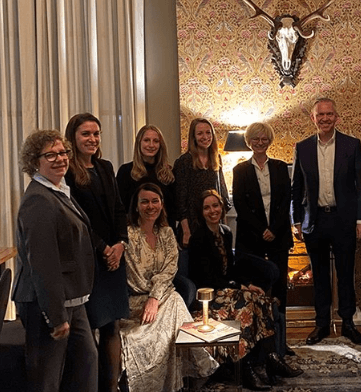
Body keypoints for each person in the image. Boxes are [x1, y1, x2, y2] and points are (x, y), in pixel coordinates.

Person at [187, 190, 302, 391]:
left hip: (227, 290)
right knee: (247, 305)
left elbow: (232, 269)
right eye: (207, 207)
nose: (212, 210)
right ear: (201, 211)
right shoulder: (199, 238)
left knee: (260, 297)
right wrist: (238, 287)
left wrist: (247, 285)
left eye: (215, 205)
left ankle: (271, 358)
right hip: (209, 295)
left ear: (222, 207)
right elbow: (207, 278)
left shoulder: (225, 232)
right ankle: (247, 367)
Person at [14, 130, 97, 392]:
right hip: (47, 305)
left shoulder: (58, 190)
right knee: (47, 380)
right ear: (34, 161)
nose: (60, 158)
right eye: (50, 154)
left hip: (73, 300)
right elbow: (42, 262)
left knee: (86, 365)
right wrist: (56, 316)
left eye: (63, 152)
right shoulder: (39, 199)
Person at [119, 183, 218, 391]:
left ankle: (177, 381)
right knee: (173, 305)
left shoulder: (166, 233)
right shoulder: (128, 235)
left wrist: (155, 298)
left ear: (162, 205)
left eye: (155, 201)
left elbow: (169, 270)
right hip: (135, 302)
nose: (150, 206)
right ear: (136, 206)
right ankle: (193, 371)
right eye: (144, 201)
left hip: (161, 297)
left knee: (174, 300)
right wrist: (150, 298)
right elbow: (134, 275)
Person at [291, 97, 361, 346]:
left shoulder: (351, 145)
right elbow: (297, 187)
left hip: (344, 219)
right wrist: (295, 221)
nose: (325, 119)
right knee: (320, 276)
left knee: (346, 273)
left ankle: (347, 323)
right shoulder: (302, 147)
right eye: (320, 115)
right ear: (313, 118)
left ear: (336, 117)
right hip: (314, 221)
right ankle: (321, 324)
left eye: (329, 114)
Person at [64, 113, 129, 392]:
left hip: (115, 257)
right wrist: (103, 247)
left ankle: (111, 387)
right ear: (73, 138)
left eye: (96, 134)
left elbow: (117, 208)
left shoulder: (105, 166)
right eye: (85, 134)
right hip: (88, 259)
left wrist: (121, 244)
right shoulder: (67, 171)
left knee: (112, 326)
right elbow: (75, 219)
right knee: (89, 327)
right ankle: (89, 386)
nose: (92, 139)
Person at [232, 122, 293, 355]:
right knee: (255, 288)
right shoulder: (240, 170)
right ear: (249, 141)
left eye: (264, 138)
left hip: (278, 236)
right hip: (252, 237)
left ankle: (281, 343)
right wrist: (261, 230)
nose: (260, 142)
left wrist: (273, 229)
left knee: (279, 289)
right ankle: (258, 343)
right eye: (255, 139)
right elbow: (240, 204)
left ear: (269, 140)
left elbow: (286, 200)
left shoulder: (279, 167)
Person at [173, 118, 230, 247]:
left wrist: (224, 226)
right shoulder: (185, 161)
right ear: (193, 137)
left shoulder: (216, 158)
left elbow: (222, 193)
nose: (205, 137)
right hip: (192, 226)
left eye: (208, 133)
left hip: (214, 223)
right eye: (200, 133)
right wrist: (186, 232)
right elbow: (180, 200)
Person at [116, 125, 177, 229]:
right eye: (147, 140)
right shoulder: (126, 171)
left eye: (156, 141)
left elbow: (173, 209)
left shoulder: (168, 173)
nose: (151, 145)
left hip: (164, 232)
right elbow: (119, 208)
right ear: (139, 143)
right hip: (135, 232)